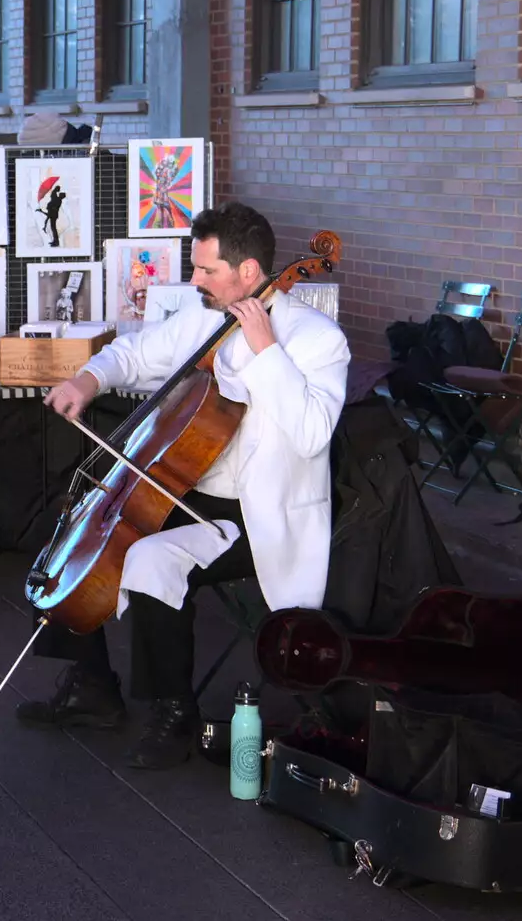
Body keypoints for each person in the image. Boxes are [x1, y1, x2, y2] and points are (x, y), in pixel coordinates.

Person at [17, 202, 350, 769]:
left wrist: (266, 351)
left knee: (151, 560)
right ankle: (94, 685)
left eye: (205, 270)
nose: (193, 280)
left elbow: (313, 432)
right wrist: (87, 379)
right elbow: (133, 353)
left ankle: (176, 713)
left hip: (261, 514)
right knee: (78, 528)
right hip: (191, 491)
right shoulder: (203, 321)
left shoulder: (317, 340)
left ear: (249, 273)